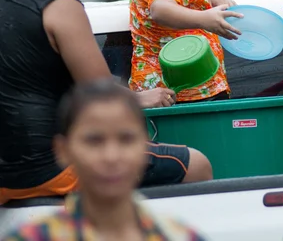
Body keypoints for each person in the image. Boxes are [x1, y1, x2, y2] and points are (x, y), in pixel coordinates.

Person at [0, 0, 212, 206]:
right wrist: (138, 98)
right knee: (196, 164)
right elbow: (102, 100)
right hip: (54, 171)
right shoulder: (60, 5)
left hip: (6, 178)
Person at [3, 80, 207, 241]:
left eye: (126, 139)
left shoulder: (180, 236)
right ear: (63, 150)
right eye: (94, 141)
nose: (111, 156)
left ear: (145, 146)